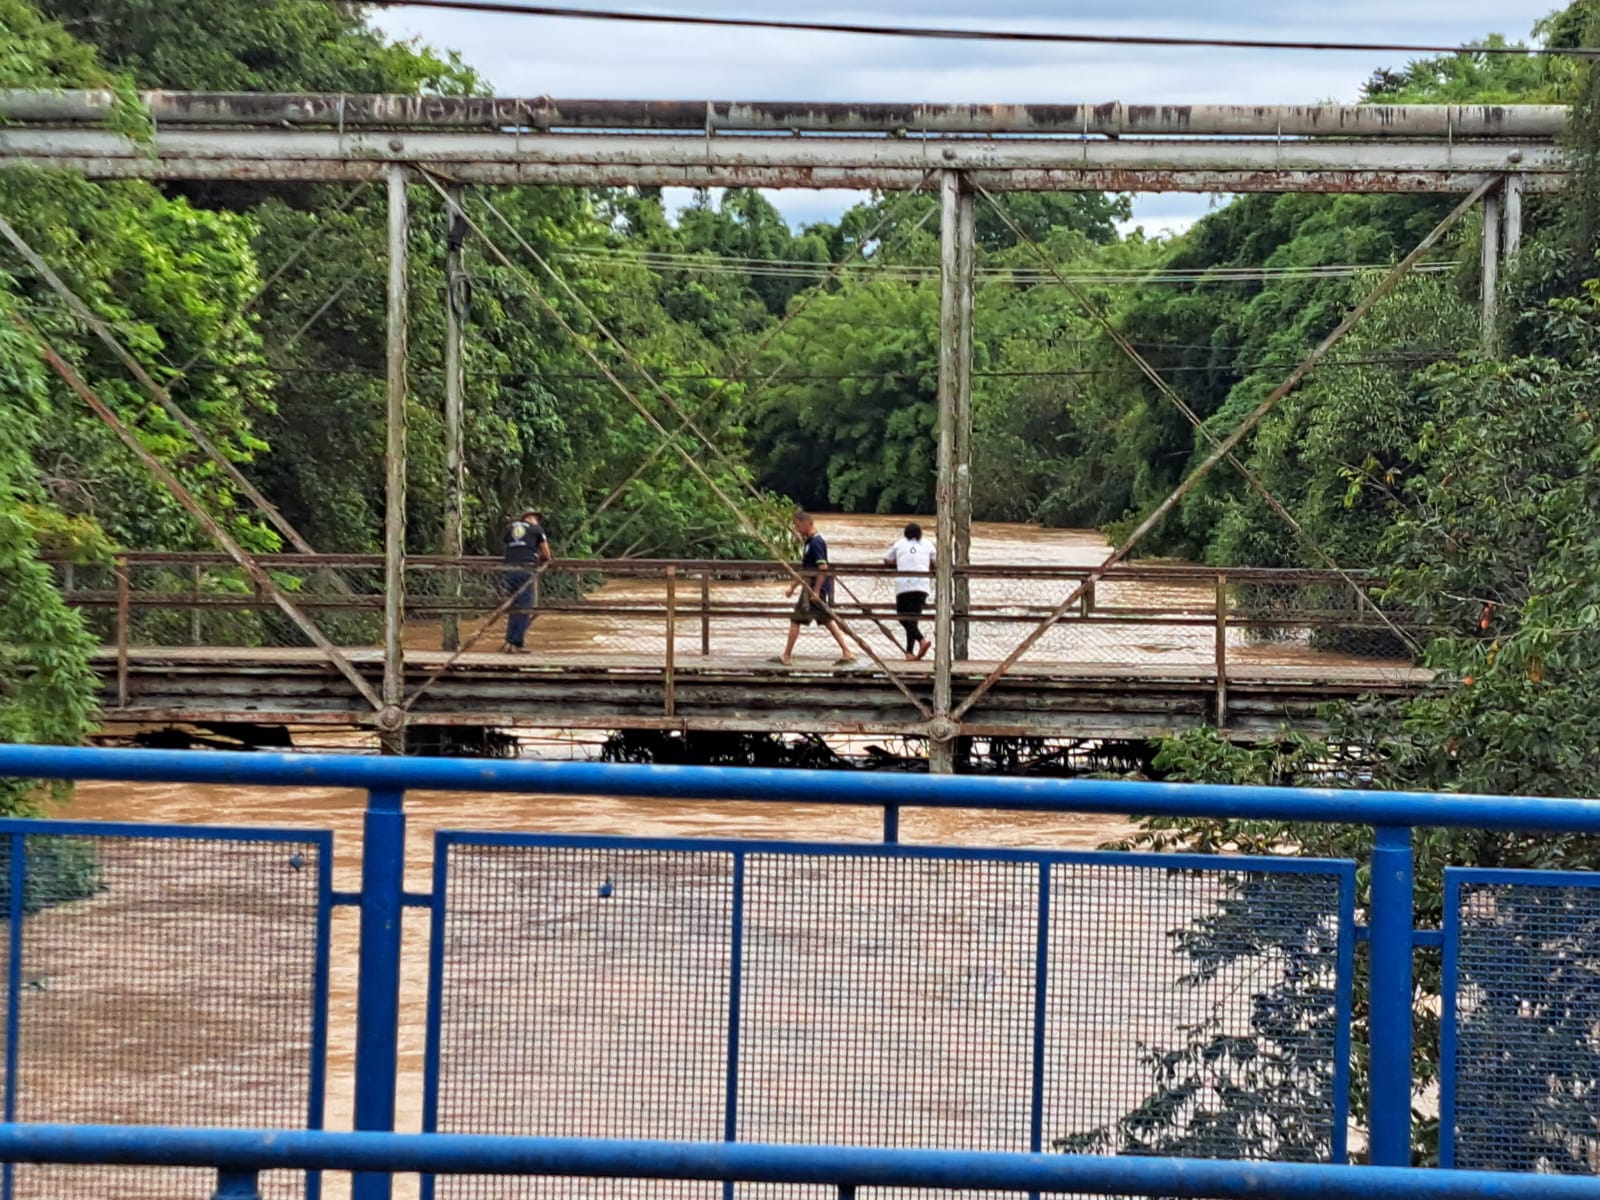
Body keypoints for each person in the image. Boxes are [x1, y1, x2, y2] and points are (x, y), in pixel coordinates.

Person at [773, 512, 855, 666]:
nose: (796, 529)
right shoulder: (809, 542)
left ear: (806, 524)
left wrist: (816, 591)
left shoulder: (816, 542)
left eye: (797, 525)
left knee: (796, 619)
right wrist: (793, 586)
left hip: (813, 588)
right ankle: (847, 651)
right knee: (826, 619)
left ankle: (786, 655)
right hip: (810, 586)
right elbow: (806, 569)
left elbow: (822, 567)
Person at [501, 509, 551, 653]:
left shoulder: (511, 528)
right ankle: (516, 644)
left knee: (514, 607)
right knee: (524, 608)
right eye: (537, 518)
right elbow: (547, 555)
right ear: (532, 518)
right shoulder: (537, 530)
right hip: (526, 570)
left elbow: (508, 544)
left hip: (509, 571)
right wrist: (538, 559)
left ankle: (509, 643)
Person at [883, 521, 934, 661]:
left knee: (902, 617)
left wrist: (899, 563)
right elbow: (937, 562)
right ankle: (909, 653)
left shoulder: (900, 544)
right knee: (913, 619)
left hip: (904, 586)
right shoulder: (928, 544)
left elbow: (887, 560)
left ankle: (921, 640)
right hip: (922, 586)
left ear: (906, 533)